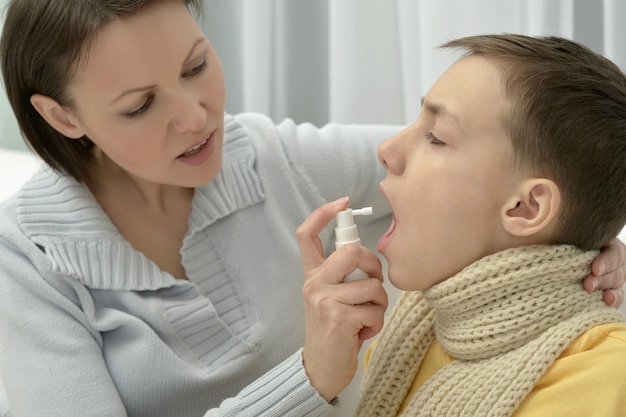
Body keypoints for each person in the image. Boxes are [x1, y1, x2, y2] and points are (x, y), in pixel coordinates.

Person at [0, 0, 622, 414]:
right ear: (62, 117)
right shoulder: (25, 262)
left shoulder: (273, 157)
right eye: (140, 105)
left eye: (196, 66)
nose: (195, 118)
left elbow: (514, 167)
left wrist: (581, 238)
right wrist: (310, 375)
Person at [298, 34, 626, 417]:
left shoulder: (606, 380)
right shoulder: (409, 345)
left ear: (526, 207)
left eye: (436, 138)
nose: (386, 150)